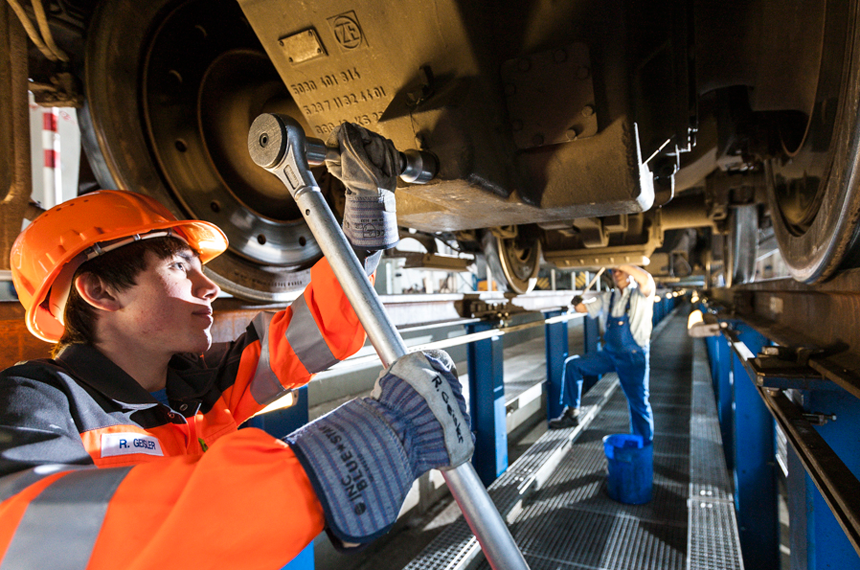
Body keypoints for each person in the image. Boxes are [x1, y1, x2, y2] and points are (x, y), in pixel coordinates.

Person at [0, 124, 473, 569]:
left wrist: (364, 234)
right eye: (180, 267)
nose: (209, 287)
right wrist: (337, 460)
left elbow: (310, 334)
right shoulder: (33, 402)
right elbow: (28, 531)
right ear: (100, 292)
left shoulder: (193, 386)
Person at [549, 265, 656, 443]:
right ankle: (571, 413)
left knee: (638, 403)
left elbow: (646, 279)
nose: (617, 273)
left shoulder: (641, 294)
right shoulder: (607, 297)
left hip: (633, 357)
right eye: (614, 271)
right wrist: (577, 303)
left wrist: (619, 261)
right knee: (573, 365)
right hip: (610, 354)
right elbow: (584, 309)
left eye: (621, 270)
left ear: (630, 273)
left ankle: (643, 445)